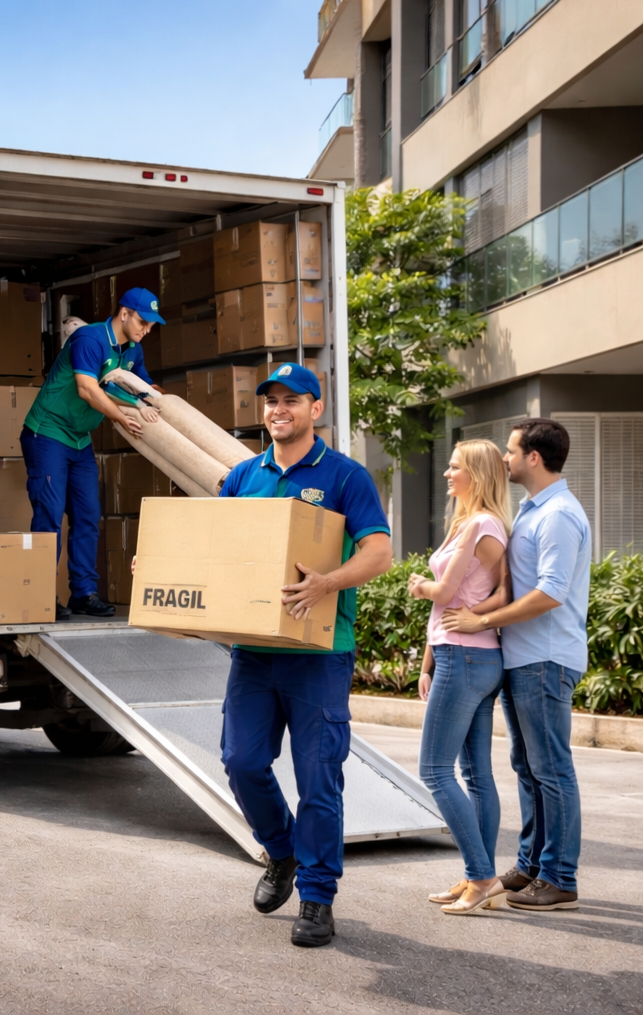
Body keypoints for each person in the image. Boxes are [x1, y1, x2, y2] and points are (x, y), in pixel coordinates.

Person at [218, 363, 393, 948]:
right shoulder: (243, 475)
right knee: (241, 761)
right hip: (254, 650)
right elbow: (214, 553)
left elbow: (379, 553)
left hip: (320, 653)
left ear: (316, 409)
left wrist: (328, 582)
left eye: (291, 400)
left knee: (319, 778)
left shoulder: (345, 477)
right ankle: (283, 852)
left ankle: (317, 898)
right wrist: (163, 569)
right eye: (271, 401)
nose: (278, 410)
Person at [442, 418, 589, 912]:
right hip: (521, 657)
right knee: (527, 768)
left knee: (551, 770)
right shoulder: (531, 510)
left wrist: (483, 619)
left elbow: (550, 593)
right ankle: (530, 866)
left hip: (546, 658)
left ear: (533, 457)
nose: (504, 459)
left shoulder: (560, 515)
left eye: (510, 451)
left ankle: (560, 876)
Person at [408, 439, 511, 915]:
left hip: (466, 657)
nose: (448, 474)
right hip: (468, 656)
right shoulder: (468, 524)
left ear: (477, 474)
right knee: (474, 774)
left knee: (433, 770)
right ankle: (477, 875)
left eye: (455, 468)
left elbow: (446, 592)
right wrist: (428, 662)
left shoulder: (481, 525)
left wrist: (420, 586)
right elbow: (478, 596)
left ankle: (482, 875)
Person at [20, 288, 164, 621]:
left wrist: (160, 401)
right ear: (124, 313)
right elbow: (87, 389)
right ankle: (40, 595)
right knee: (50, 515)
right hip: (48, 432)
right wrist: (121, 417)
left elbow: (143, 388)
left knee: (87, 515)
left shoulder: (133, 350)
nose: (146, 330)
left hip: (80, 439)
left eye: (152, 325)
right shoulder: (89, 339)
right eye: (143, 321)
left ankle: (84, 593)